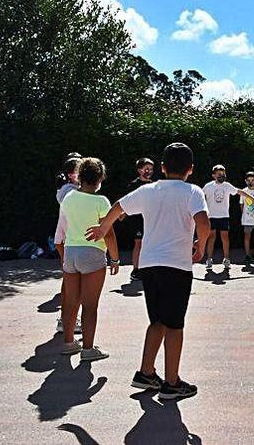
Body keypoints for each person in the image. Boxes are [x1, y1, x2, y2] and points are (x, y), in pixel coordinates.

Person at [87, 142, 210, 400]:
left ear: (162, 167)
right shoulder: (193, 191)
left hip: (149, 265)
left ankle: (146, 372)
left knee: (157, 320)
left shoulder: (148, 190)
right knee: (175, 325)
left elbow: (119, 206)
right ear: (190, 169)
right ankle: (172, 383)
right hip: (176, 265)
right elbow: (203, 222)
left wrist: (102, 228)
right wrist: (200, 247)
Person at [58, 157, 119, 362]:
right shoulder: (101, 201)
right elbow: (108, 233)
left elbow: (66, 224)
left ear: (80, 177)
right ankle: (88, 349)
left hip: (71, 251)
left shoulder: (68, 198)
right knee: (90, 305)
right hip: (92, 253)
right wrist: (115, 259)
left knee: (70, 302)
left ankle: (68, 343)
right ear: (100, 178)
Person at [54, 154, 82, 335]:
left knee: (69, 281)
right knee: (73, 283)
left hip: (67, 239)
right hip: (69, 239)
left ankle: (66, 320)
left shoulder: (71, 190)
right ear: (71, 174)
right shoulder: (69, 192)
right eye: (80, 170)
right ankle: (68, 321)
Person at [201, 165, 249, 270]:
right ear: (213, 175)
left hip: (224, 216)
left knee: (225, 238)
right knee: (211, 238)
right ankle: (209, 259)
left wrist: (249, 197)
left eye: (223, 174)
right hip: (211, 216)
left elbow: (238, 191)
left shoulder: (227, 186)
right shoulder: (208, 186)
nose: (221, 176)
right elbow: (199, 196)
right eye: (219, 174)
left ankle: (226, 259)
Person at [122, 157, 155, 280]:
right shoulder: (133, 185)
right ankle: (136, 269)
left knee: (150, 244)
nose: (149, 171)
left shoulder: (153, 185)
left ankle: (148, 268)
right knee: (139, 243)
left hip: (151, 219)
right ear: (139, 170)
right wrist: (123, 213)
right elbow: (127, 201)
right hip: (137, 220)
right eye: (146, 169)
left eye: (151, 169)